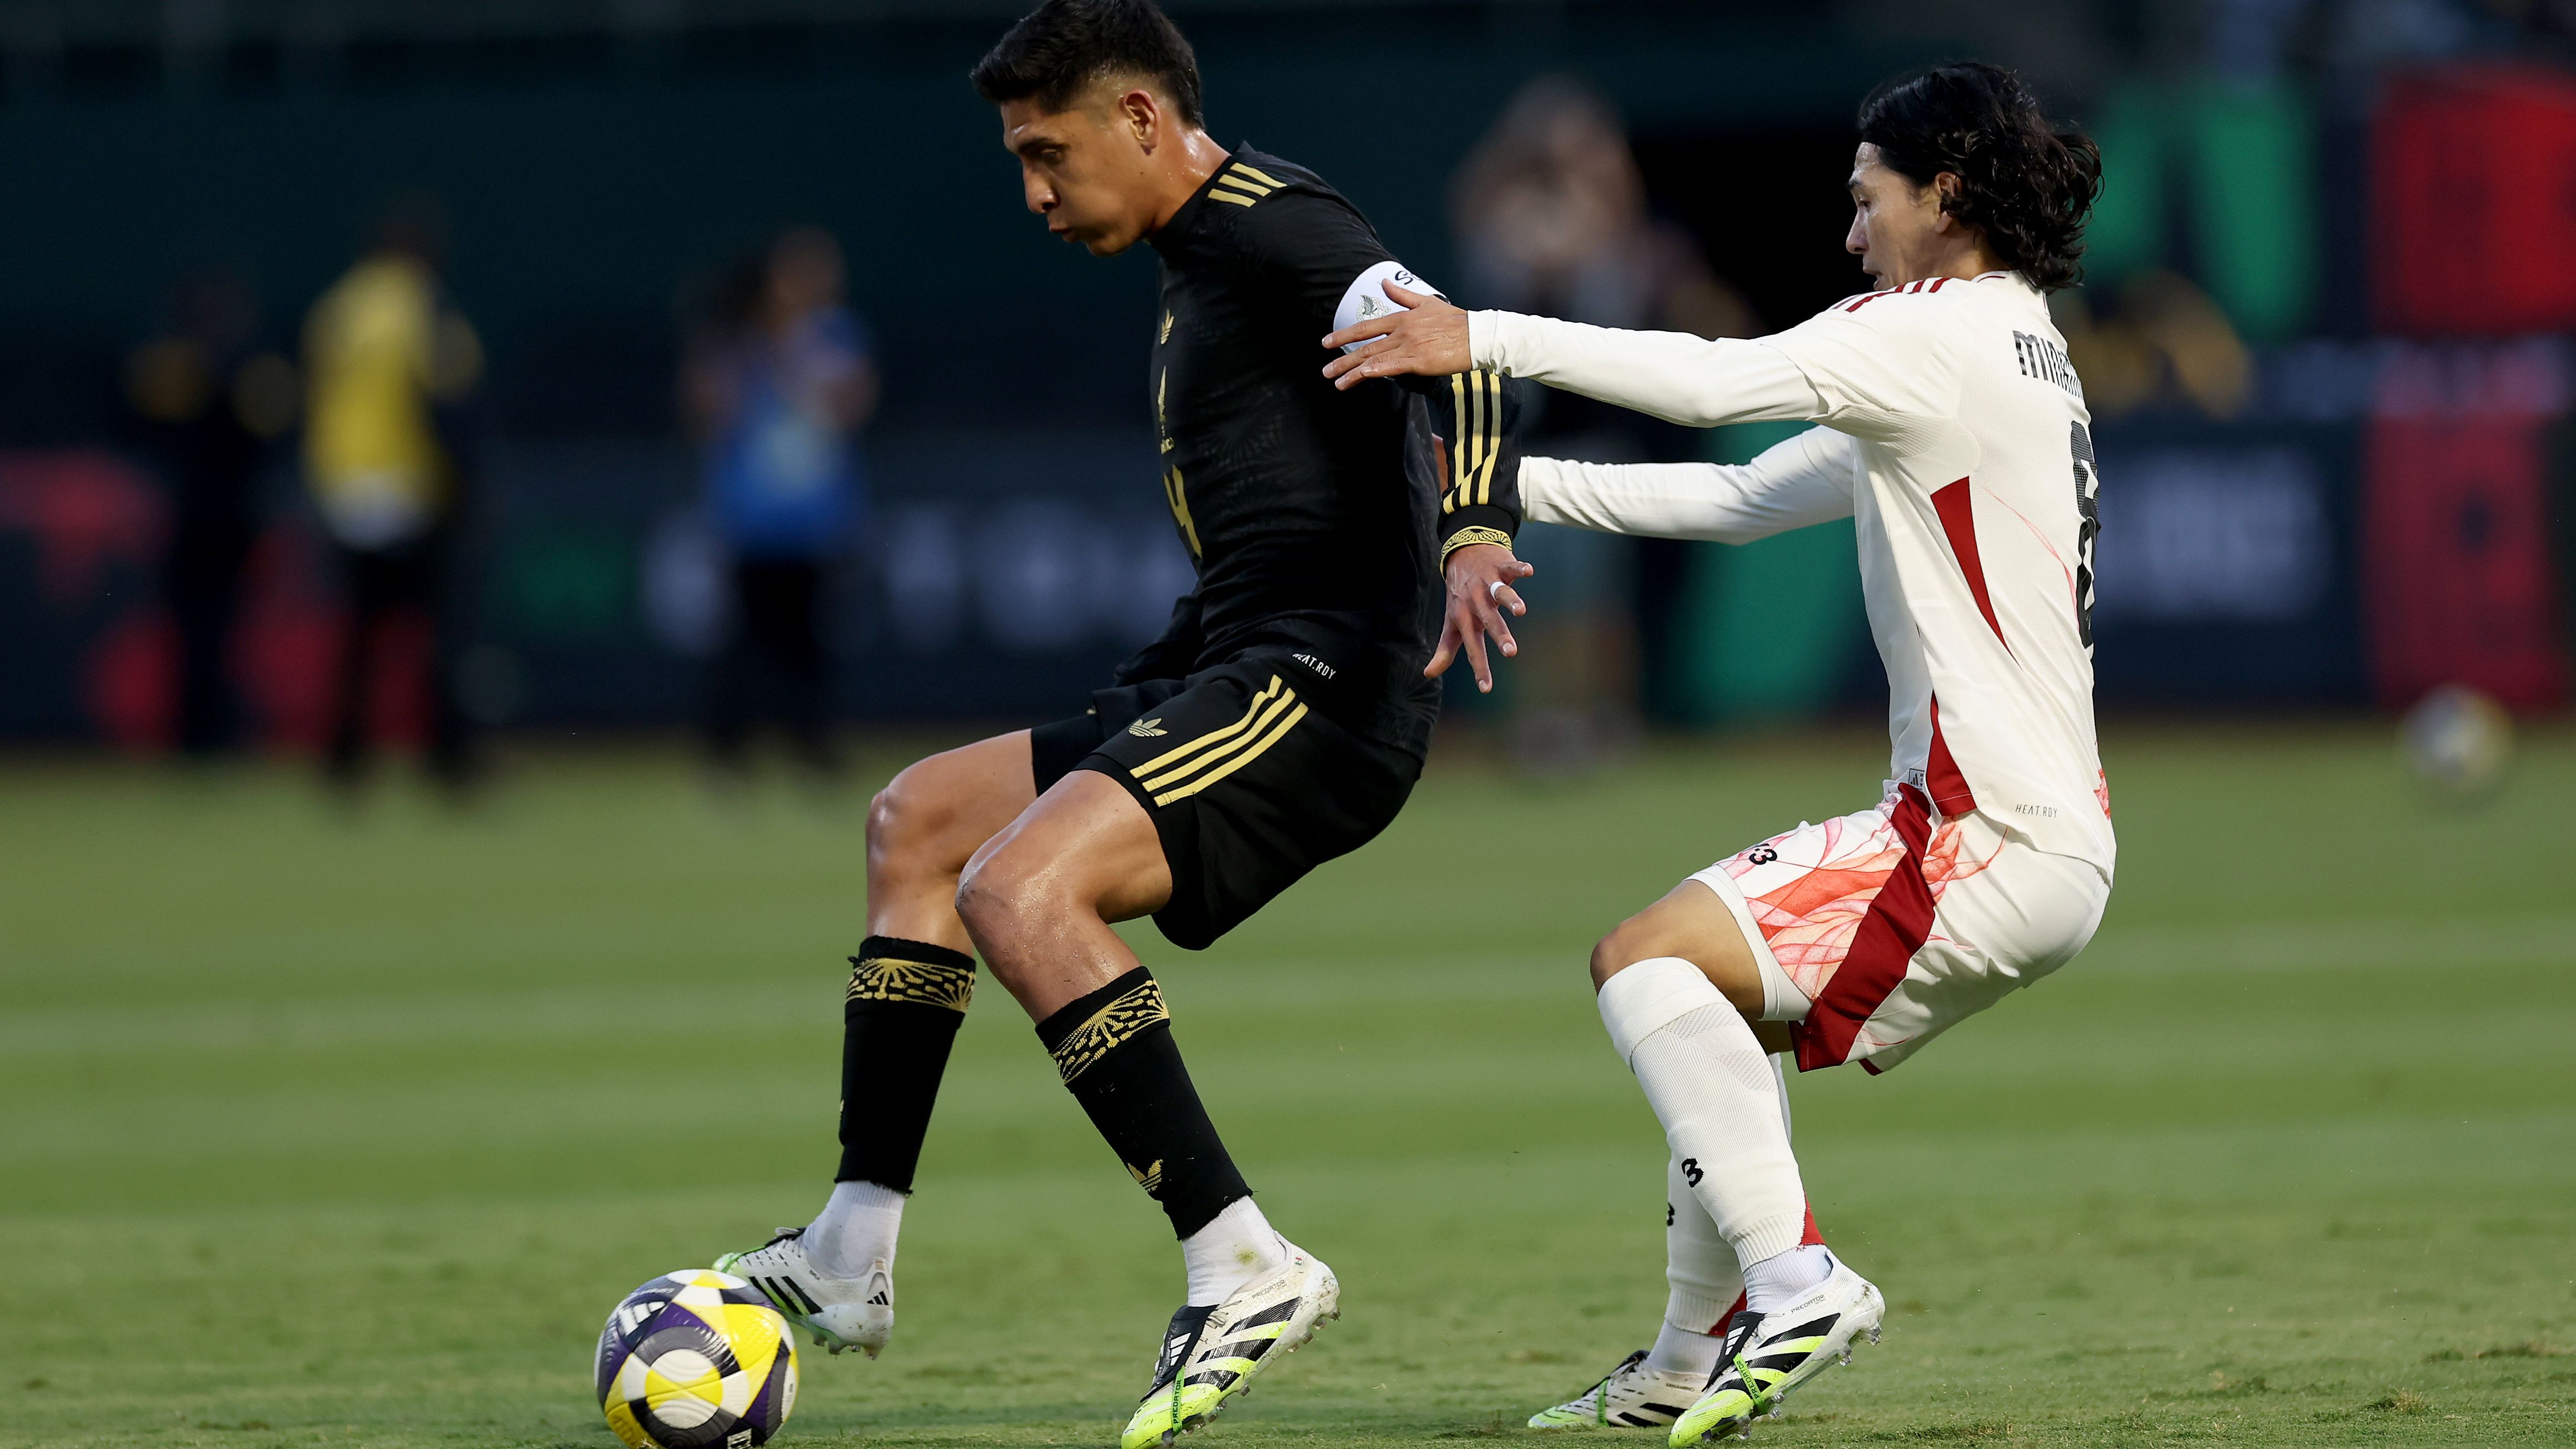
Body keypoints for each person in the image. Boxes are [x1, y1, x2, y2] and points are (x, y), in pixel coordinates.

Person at [713, 3, 1532, 1445]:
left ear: (1144, 120)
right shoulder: (1192, 263)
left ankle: (1241, 1260)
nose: (1031, 192)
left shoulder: (1273, 225)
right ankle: (851, 1251)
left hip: (1321, 689)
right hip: (1224, 663)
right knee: (917, 824)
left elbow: (1451, 349)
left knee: (1019, 893)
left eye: (1048, 152)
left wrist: (1471, 530)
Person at [1324, 62, 2113, 1444]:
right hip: (2038, 837)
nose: (1851, 233)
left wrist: (1474, 337)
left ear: (1946, 194)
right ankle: (1678, 1371)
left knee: (1643, 960)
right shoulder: (2012, 347)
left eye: (1866, 200)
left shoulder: (1929, 330)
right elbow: (1745, 494)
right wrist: (1493, 490)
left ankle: (1798, 1280)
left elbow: (1709, 386)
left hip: (1976, 833)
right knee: (1710, 1024)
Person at [302, 201, 483, 790]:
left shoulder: (337, 307)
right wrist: (463, 484)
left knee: (361, 632)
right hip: (408, 486)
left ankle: (345, 760)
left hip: (345, 487)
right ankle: (448, 759)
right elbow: (446, 401)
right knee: (439, 629)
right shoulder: (420, 307)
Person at [684, 227, 877, 780]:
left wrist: (795, 360)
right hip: (750, 520)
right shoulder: (735, 342)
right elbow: (703, 412)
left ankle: (812, 747)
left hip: (817, 520)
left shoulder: (837, 338)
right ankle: (728, 753)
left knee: (812, 643)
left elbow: (854, 404)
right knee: (743, 641)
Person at [126, 268, 298, 756]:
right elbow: (146, 427)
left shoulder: (251, 368)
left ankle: (217, 730)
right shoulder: (173, 366)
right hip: (191, 518)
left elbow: (274, 434)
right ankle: (195, 733)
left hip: (228, 518)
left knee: (225, 632)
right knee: (196, 633)